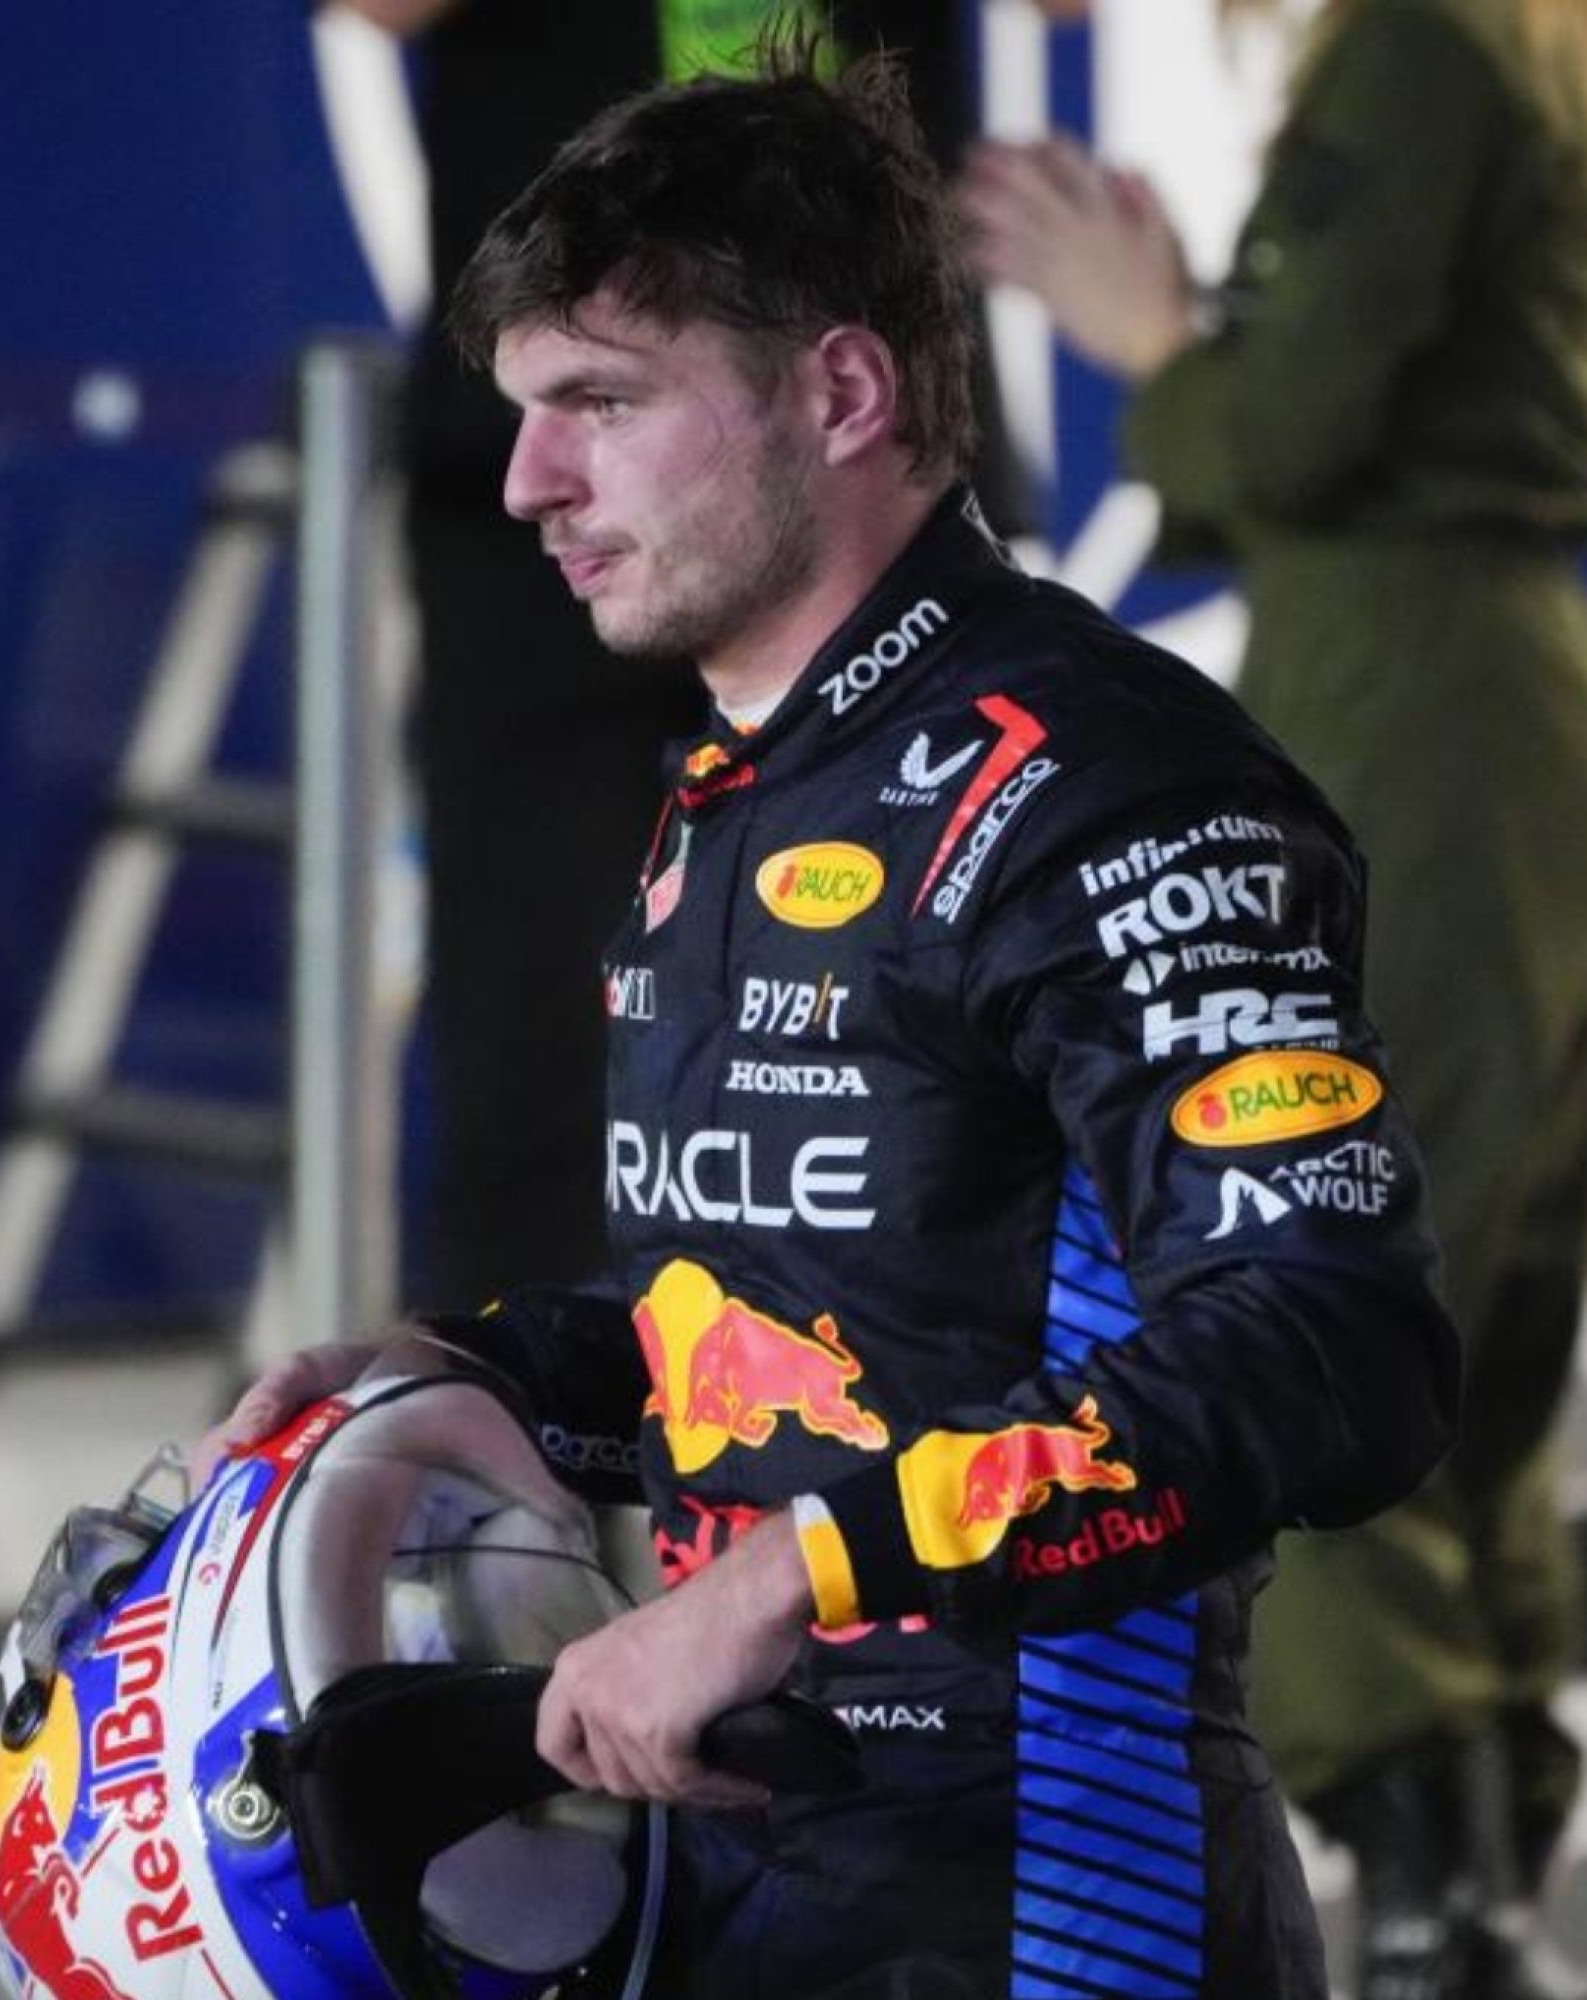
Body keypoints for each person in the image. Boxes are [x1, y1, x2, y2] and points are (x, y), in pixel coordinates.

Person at [212, 30, 1460, 1999]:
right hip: (765, 1872)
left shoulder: (1103, 782)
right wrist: (474, 1369)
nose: (531, 481)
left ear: (844, 390)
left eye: (602, 403)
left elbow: (1333, 1344)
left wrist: (798, 1575)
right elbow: (848, 1316)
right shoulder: (746, 782)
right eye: (525, 412)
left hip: (1062, 1903)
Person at [956, 3, 1587, 1995]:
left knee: (1315, 1252)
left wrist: (1156, 343)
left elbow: (1291, 431)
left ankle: (1420, 1842)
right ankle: (1469, 1819)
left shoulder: (1417, 35)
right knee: (1480, 1272)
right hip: (1499, 683)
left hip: (1407, 692)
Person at [330, 0, 1029, 1303]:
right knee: (541, 999)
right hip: (552, 487)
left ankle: (897, 1394)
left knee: (916, 976)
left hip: (851, 447)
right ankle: (527, 1407)